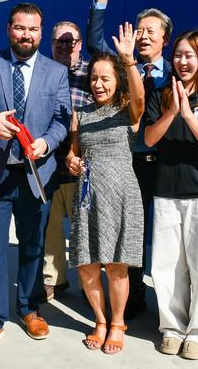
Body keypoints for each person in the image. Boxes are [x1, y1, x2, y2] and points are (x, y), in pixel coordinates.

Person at [86, 0, 198, 318]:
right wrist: (101, 2)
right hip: (129, 163)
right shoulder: (124, 66)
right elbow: (94, 44)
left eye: (151, 31)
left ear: (166, 38)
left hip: (164, 166)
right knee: (130, 231)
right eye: (139, 30)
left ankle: (184, 307)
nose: (143, 36)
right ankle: (132, 301)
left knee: (169, 241)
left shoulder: (176, 75)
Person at [0, 3, 71, 356]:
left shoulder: (57, 72)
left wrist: (47, 142)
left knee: (33, 244)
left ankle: (29, 306)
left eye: (33, 29)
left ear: (41, 31)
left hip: (36, 173)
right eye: (20, 28)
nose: (26, 35)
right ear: (9, 29)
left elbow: (61, 119)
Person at [143, 30, 198, 360]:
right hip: (167, 191)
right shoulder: (161, 95)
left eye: (189, 55)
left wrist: (190, 116)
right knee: (166, 266)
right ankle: (172, 327)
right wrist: (171, 111)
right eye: (178, 54)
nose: (182, 61)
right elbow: (150, 139)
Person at [66, 23, 144, 355]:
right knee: (86, 266)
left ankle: (117, 323)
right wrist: (71, 159)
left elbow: (140, 97)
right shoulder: (80, 114)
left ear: (117, 81)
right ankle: (99, 320)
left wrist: (128, 61)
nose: (98, 84)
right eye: (94, 78)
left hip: (122, 194)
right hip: (87, 197)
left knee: (115, 266)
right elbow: (74, 151)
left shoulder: (129, 110)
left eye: (105, 78)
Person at [42, 20, 92, 301]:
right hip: (48, 162)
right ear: (52, 45)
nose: (64, 46)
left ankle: (89, 283)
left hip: (80, 163)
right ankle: (54, 278)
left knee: (82, 227)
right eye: (59, 41)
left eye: (70, 41)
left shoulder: (90, 73)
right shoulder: (44, 73)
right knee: (50, 227)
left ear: (80, 44)